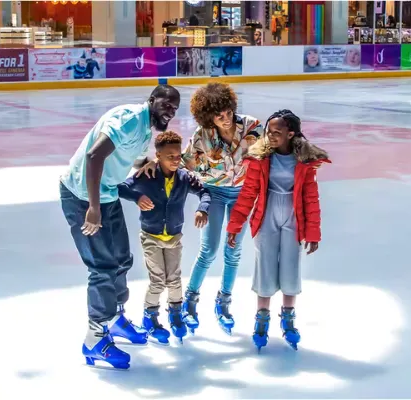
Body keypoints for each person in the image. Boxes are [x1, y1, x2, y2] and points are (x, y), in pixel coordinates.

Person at [59, 84, 180, 369]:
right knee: (102, 266)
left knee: (122, 259)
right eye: (166, 105)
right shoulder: (128, 120)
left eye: (175, 109)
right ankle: (95, 339)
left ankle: (114, 319)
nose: (170, 112)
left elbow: (128, 160)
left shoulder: (145, 129)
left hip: (107, 194)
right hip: (82, 196)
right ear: (152, 100)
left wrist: (147, 166)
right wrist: (93, 207)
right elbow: (94, 156)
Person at [136, 82, 262, 336]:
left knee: (233, 251)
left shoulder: (251, 126)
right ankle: (190, 302)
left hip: (242, 195)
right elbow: (181, 162)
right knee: (209, 250)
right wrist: (154, 163)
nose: (226, 119)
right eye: (219, 116)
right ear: (208, 116)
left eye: (228, 112)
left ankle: (223, 303)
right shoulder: (202, 135)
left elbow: (264, 155)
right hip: (213, 192)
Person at [225, 109, 330, 352]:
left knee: (291, 267)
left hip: (294, 217)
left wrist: (313, 233)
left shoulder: (304, 161)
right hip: (267, 214)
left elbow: (311, 198)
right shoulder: (260, 158)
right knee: (265, 265)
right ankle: (261, 318)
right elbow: (248, 193)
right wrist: (235, 225)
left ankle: (288, 318)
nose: (270, 135)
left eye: (277, 132)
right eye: (269, 131)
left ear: (290, 134)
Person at [117, 131, 211, 345]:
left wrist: (202, 209)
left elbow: (204, 192)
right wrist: (137, 197)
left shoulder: (184, 177)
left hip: (174, 237)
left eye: (178, 156)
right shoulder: (146, 175)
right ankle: (149, 316)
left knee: (174, 278)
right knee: (158, 280)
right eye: (170, 156)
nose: (176, 160)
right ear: (158, 156)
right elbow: (121, 188)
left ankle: (175, 313)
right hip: (151, 236)